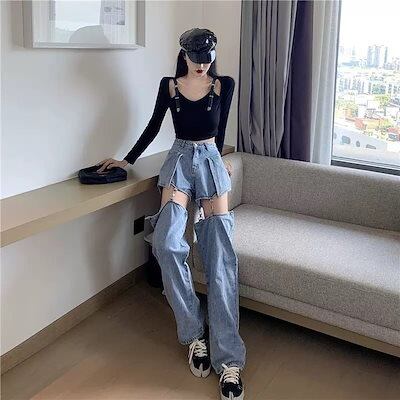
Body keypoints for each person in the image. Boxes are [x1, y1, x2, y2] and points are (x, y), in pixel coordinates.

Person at [96, 28, 246, 400]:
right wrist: (126, 160)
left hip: (209, 159)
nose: (202, 66)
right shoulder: (170, 86)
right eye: (196, 59)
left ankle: (229, 360)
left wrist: (220, 160)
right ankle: (195, 334)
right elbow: (153, 126)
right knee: (164, 242)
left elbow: (220, 128)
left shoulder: (223, 85)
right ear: (184, 55)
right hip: (179, 160)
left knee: (220, 256)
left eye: (207, 59)